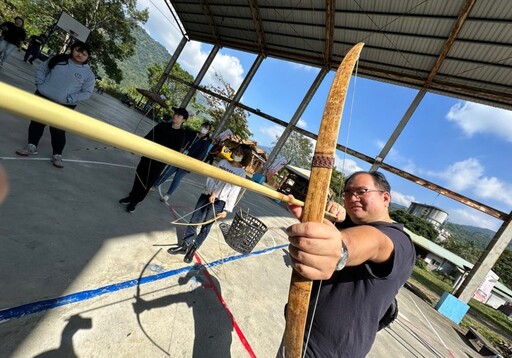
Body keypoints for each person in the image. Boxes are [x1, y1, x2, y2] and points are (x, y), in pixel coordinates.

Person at [281, 171, 416, 358]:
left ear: (385, 198)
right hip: (296, 333)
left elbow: (374, 243)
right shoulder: (346, 225)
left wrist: (340, 248)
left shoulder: (399, 240)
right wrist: (320, 220)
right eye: (347, 193)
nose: (353, 197)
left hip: (332, 352)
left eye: (362, 191)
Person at [15, 41, 95, 168]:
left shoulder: (89, 75)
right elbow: (41, 69)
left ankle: (57, 155)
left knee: (57, 130)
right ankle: (32, 146)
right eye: (78, 51)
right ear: (72, 49)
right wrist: (40, 84)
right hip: (43, 96)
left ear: (88, 57)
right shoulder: (58, 60)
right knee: (37, 122)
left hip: (65, 105)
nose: (80, 55)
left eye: (84, 54)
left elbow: (86, 93)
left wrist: (71, 98)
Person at [168, 144, 253, 263]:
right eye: (236, 151)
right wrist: (212, 191)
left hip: (219, 203)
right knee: (194, 220)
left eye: (240, 153)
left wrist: (226, 210)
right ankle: (185, 245)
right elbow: (211, 177)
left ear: (244, 157)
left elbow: (234, 192)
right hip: (206, 194)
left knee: (205, 227)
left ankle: (193, 248)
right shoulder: (223, 163)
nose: (236, 154)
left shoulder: (241, 173)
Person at [119, 107, 188, 213]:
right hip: (147, 156)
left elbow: (174, 152)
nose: (175, 115)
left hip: (159, 163)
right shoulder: (162, 125)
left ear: (183, 120)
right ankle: (131, 196)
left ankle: (136, 201)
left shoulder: (181, 134)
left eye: (179, 115)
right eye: (175, 113)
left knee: (147, 182)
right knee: (139, 176)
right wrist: (136, 147)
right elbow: (148, 137)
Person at [151, 121, 213, 203]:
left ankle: (168, 195)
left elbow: (200, 156)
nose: (203, 129)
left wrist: (191, 166)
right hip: (179, 158)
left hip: (188, 164)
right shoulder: (192, 134)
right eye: (203, 126)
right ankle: (154, 185)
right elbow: (183, 141)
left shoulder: (206, 142)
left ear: (208, 131)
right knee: (166, 173)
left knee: (177, 178)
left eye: (206, 128)